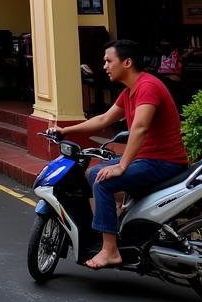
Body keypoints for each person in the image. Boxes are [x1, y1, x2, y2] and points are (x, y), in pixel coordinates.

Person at [52, 39, 188, 270]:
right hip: (148, 160)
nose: (104, 66)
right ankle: (119, 219)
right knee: (93, 174)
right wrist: (65, 130)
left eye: (108, 60)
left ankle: (110, 251)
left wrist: (122, 165)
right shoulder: (129, 92)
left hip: (164, 162)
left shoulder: (148, 86)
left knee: (104, 182)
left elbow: (141, 127)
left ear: (127, 62)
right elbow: (104, 119)